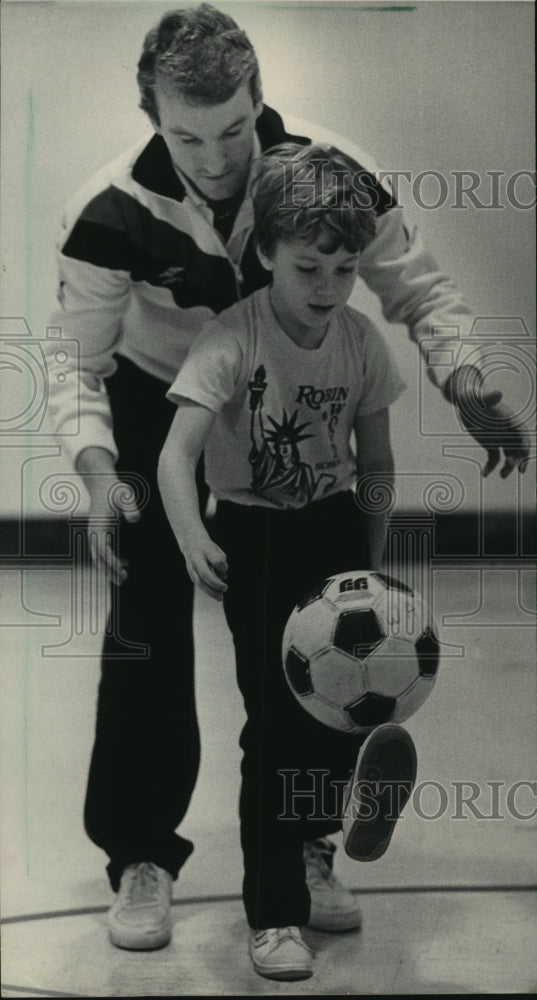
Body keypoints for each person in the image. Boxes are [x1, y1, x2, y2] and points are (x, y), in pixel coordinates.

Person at [45, 3, 530, 952]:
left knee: (324, 632)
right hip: (160, 398)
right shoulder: (105, 210)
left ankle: (306, 843)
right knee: (145, 626)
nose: (214, 158)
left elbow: (418, 289)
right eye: (187, 136)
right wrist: (101, 475)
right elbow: (75, 362)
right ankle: (140, 853)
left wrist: (466, 381)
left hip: (292, 403)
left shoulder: (332, 174)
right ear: (151, 117)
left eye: (232, 129)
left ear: (259, 97)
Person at [158, 141, 417, 980]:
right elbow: (174, 456)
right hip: (256, 539)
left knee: (343, 707)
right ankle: (274, 914)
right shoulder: (232, 337)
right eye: (308, 267)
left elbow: (376, 465)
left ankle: (317, 844)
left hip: (334, 532)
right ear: (265, 251)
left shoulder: (360, 341)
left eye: (345, 269)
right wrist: (193, 536)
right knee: (274, 728)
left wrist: (371, 566)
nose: (328, 287)